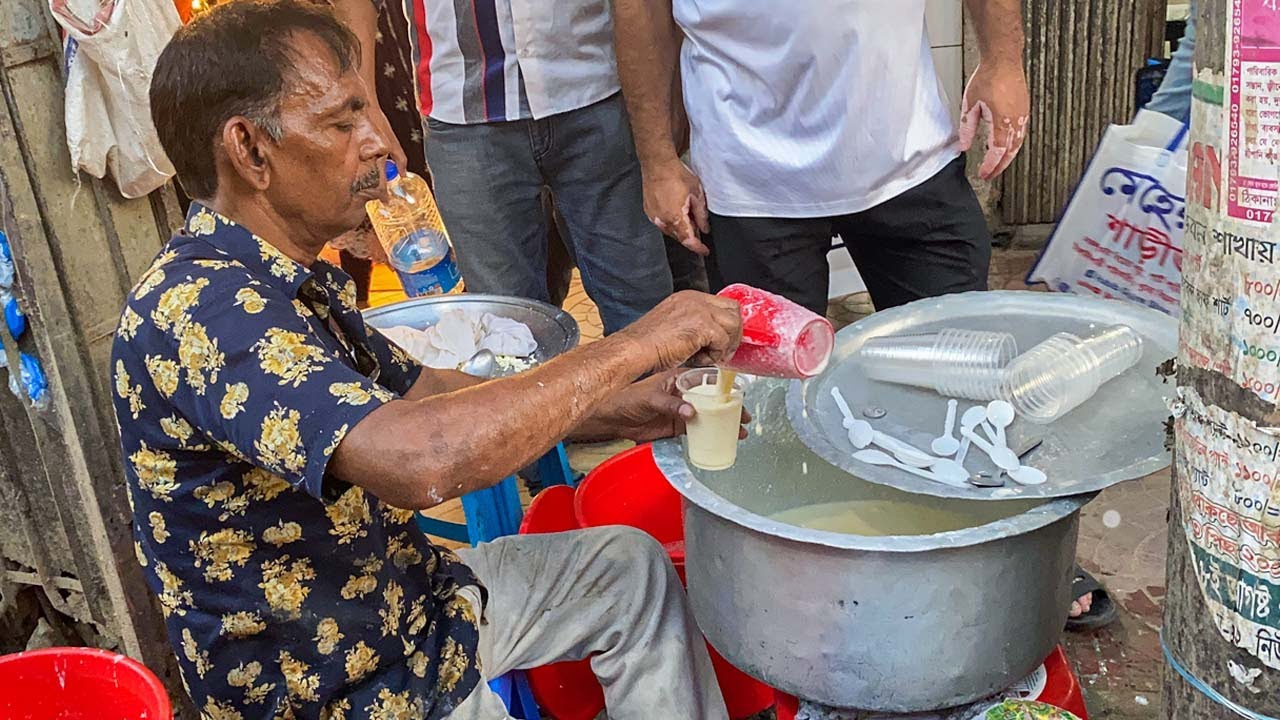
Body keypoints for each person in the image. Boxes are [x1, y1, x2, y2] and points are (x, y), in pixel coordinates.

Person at [121, 3, 742, 716]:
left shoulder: (292, 280)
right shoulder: (203, 311)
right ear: (250, 150)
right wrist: (636, 344)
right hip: (342, 689)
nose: (378, 144)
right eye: (342, 120)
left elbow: (428, 393)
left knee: (629, 571)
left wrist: (624, 401)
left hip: (412, 607)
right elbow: (426, 460)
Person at [612, 0, 1029, 316]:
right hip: (751, 179)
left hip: (909, 157)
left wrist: (1003, 61)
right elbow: (640, 8)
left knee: (952, 368)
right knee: (772, 398)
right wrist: (658, 160)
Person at [326, 0, 673, 335]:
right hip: (463, 109)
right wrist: (364, 105)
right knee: (506, 328)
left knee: (643, 308)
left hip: (593, 88)